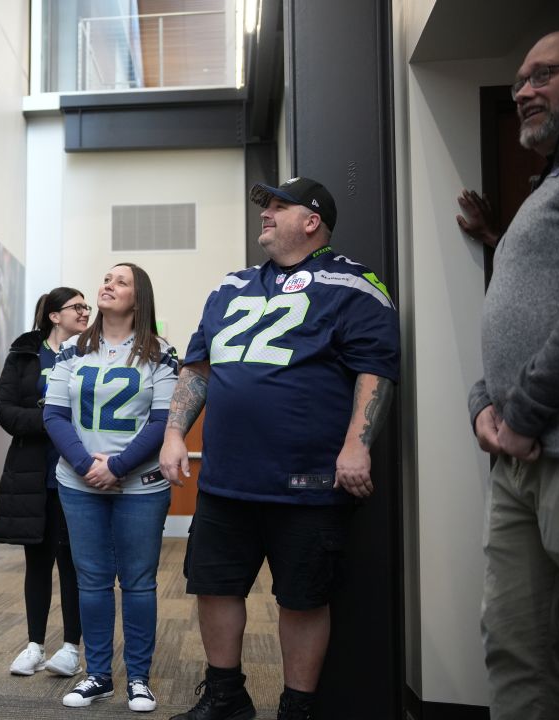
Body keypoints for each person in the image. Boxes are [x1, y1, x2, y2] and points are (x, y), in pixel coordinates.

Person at [160, 177, 399, 720]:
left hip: (309, 479)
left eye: (278, 205)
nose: (265, 214)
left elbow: (375, 370)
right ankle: (225, 699)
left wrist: (357, 446)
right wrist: (175, 433)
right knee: (214, 586)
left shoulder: (356, 284)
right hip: (226, 478)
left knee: (302, 596)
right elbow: (197, 368)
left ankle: (298, 708)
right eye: (264, 206)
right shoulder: (230, 286)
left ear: (311, 221)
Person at [466, 30, 559, 720]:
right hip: (514, 460)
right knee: (514, 644)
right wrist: (482, 405)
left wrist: (523, 413)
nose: (526, 91)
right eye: (518, 84)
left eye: (545, 75)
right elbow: (528, 298)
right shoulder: (550, 185)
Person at [43, 263, 179, 713]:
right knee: (93, 580)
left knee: (138, 582)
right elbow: (54, 416)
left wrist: (117, 465)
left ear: (139, 298)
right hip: (79, 482)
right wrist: (87, 466)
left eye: (120, 282)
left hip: (140, 485)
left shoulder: (162, 352)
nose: (107, 285)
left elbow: (162, 422)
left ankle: (139, 677)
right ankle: (98, 675)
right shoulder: (71, 350)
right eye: (106, 278)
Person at [0, 287, 91, 679]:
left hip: (77, 474)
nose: (86, 312)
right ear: (54, 315)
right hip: (33, 475)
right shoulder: (24, 356)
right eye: (77, 307)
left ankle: (71, 648)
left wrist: (60, 423)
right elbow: (5, 410)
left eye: (87, 306)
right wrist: (52, 420)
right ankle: (34, 645)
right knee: (37, 562)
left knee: (73, 564)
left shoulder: (92, 353)